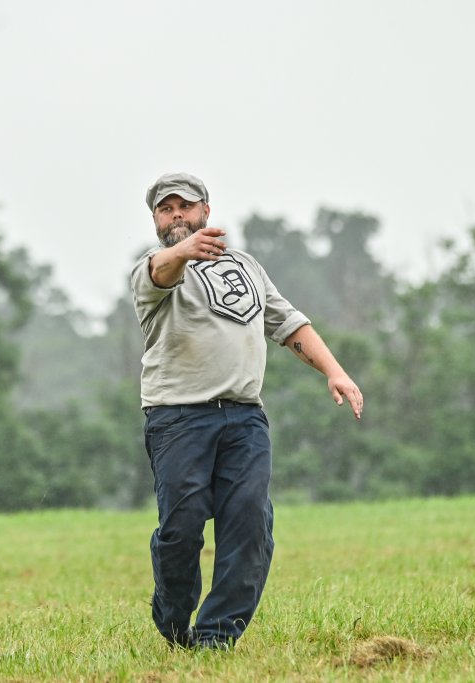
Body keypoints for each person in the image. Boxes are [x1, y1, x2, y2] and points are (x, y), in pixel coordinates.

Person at [130, 172, 364, 650]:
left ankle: (216, 636)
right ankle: (173, 617)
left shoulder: (247, 266)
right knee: (181, 529)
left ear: (206, 211)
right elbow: (162, 270)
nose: (177, 215)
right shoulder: (154, 270)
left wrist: (334, 371)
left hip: (244, 417)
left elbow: (287, 322)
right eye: (166, 209)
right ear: (155, 219)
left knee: (250, 524)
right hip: (177, 419)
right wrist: (184, 250)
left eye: (186, 207)